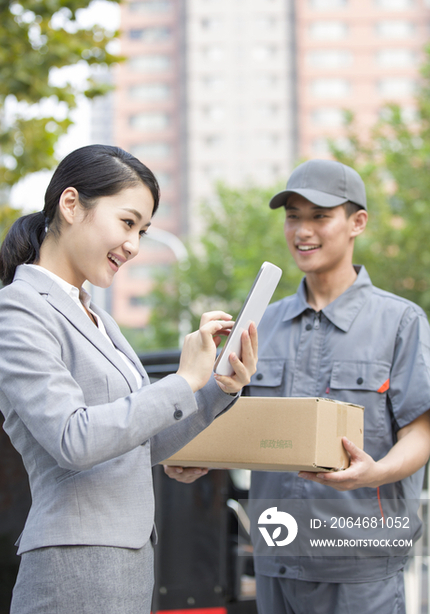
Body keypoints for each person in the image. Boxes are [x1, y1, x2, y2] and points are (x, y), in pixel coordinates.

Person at [0, 144, 258, 614]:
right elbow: (73, 439)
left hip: (127, 563)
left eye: (143, 231)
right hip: (74, 566)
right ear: (71, 205)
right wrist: (181, 381)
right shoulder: (19, 307)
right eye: (127, 222)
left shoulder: (97, 318)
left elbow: (139, 443)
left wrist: (218, 387)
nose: (134, 244)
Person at [165, 159, 430, 614]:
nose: (302, 230)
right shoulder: (261, 323)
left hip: (360, 564)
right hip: (275, 557)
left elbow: (422, 434)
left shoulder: (401, 322)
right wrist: (194, 457)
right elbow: (231, 424)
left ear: (357, 223)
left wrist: (377, 472)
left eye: (319, 216)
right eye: (293, 217)